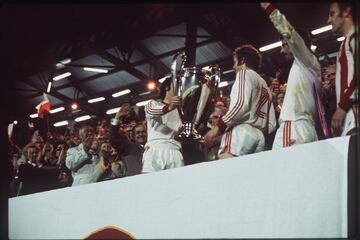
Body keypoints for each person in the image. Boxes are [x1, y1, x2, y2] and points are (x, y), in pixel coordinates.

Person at [260, 2, 329, 148]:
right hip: (304, 128)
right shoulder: (308, 66)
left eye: (285, 45)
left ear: (298, 45)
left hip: (293, 127)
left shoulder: (305, 60)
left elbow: (289, 32)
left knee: (281, 169)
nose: (282, 51)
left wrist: (269, 8)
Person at [204, 44, 276, 159]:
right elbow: (272, 124)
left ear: (242, 60)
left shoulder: (244, 73)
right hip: (260, 136)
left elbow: (241, 105)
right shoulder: (265, 85)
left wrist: (218, 128)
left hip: (240, 132)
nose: (233, 67)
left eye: (234, 61)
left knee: (226, 173)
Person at [327, 2, 358, 136]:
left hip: (354, 110)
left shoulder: (355, 36)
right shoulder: (346, 41)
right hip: (349, 113)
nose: (328, 20)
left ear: (346, 12)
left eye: (332, 14)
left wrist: (342, 107)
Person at [142, 77, 183, 172]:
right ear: (167, 87)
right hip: (155, 149)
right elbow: (150, 111)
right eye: (177, 85)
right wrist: (169, 107)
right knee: (149, 183)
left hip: (175, 151)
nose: (180, 88)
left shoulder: (182, 112)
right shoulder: (153, 103)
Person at [109, 103, 146, 176]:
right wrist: (116, 118)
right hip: (133, 182)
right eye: (138, 132)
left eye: (143, 132)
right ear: (133, 134)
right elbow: (113, 138)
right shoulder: (127, 147)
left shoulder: (153, 145)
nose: (140, 134)